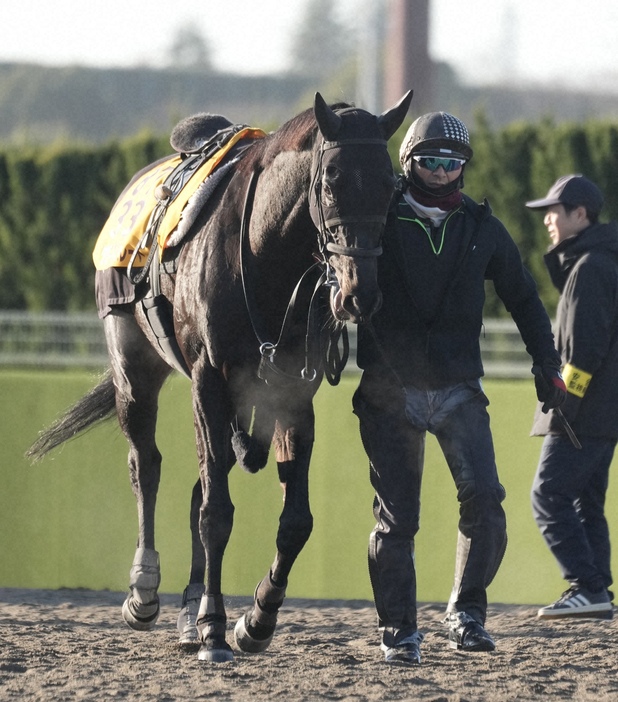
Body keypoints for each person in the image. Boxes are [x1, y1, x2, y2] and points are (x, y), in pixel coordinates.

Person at [352, 111, 566, 666]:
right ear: (408, 163)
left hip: (460, 389)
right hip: (388, 393)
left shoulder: (482, 227)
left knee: (487, 503)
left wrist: (547, 365)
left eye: (454, 163)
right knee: (397, 520)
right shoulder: (375, 222)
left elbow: (523, 299)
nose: (444, 172)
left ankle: (466, 612)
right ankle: (398, 632)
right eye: (431, 161)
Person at [526, 174, 618, 620]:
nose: (547, 219)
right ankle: (596, 593)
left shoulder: (591, 268)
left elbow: (583, 353)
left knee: (547, 495)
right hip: (605, 415)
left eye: (554, 211)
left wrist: (564, 410)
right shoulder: (600, 261)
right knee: (585, 501)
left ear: (580, 215)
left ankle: (586, 585)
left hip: (585, 415)